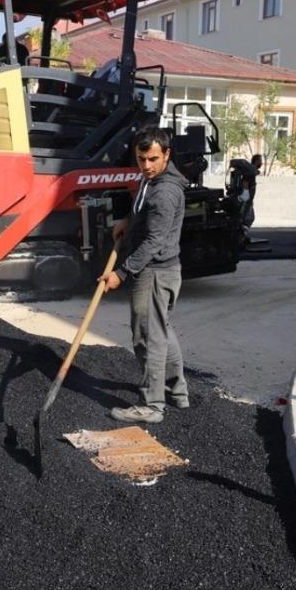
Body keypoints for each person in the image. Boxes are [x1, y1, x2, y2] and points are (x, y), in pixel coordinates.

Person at [99, 126, 189, 424]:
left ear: (167, 155)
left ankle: (153, 406)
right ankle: (178, 393)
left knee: (148, 338)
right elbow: (145, 215)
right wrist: (128, 220)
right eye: (141, 159)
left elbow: (154, 241)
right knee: (161, 331)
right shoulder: (154, 179)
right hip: (159, 270)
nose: (146, 166)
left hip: (154, 273)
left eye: (152, 159)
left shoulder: (165, 192)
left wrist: (121, 274)